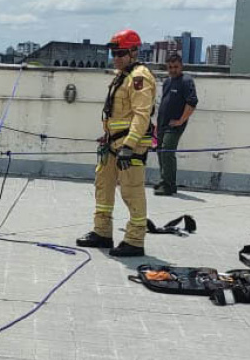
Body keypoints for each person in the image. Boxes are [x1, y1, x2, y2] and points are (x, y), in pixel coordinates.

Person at [77, 29, 156, 257]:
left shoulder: (139, 77)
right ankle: (102, 232)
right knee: (103, 185)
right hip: (113, 143)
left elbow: (142, 115)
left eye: (120, 53)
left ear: (133, 52)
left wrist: (129, 145)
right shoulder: (122, 75)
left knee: (131, 190)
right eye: (113, 53)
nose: (116, 57)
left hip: (129, 145)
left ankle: (134, 240)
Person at [154, 53, 198, 196]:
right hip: (162, 124)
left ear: (181, 66)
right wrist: (157, 125)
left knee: (167, 151)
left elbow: (192, 102)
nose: (173, 70)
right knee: (160, 151)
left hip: (174, 125)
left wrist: (181, 120)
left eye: (175, 67)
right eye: (170, 67)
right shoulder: (167, 82)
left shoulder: (186, 80)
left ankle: (169, 184)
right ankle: (165, 181)